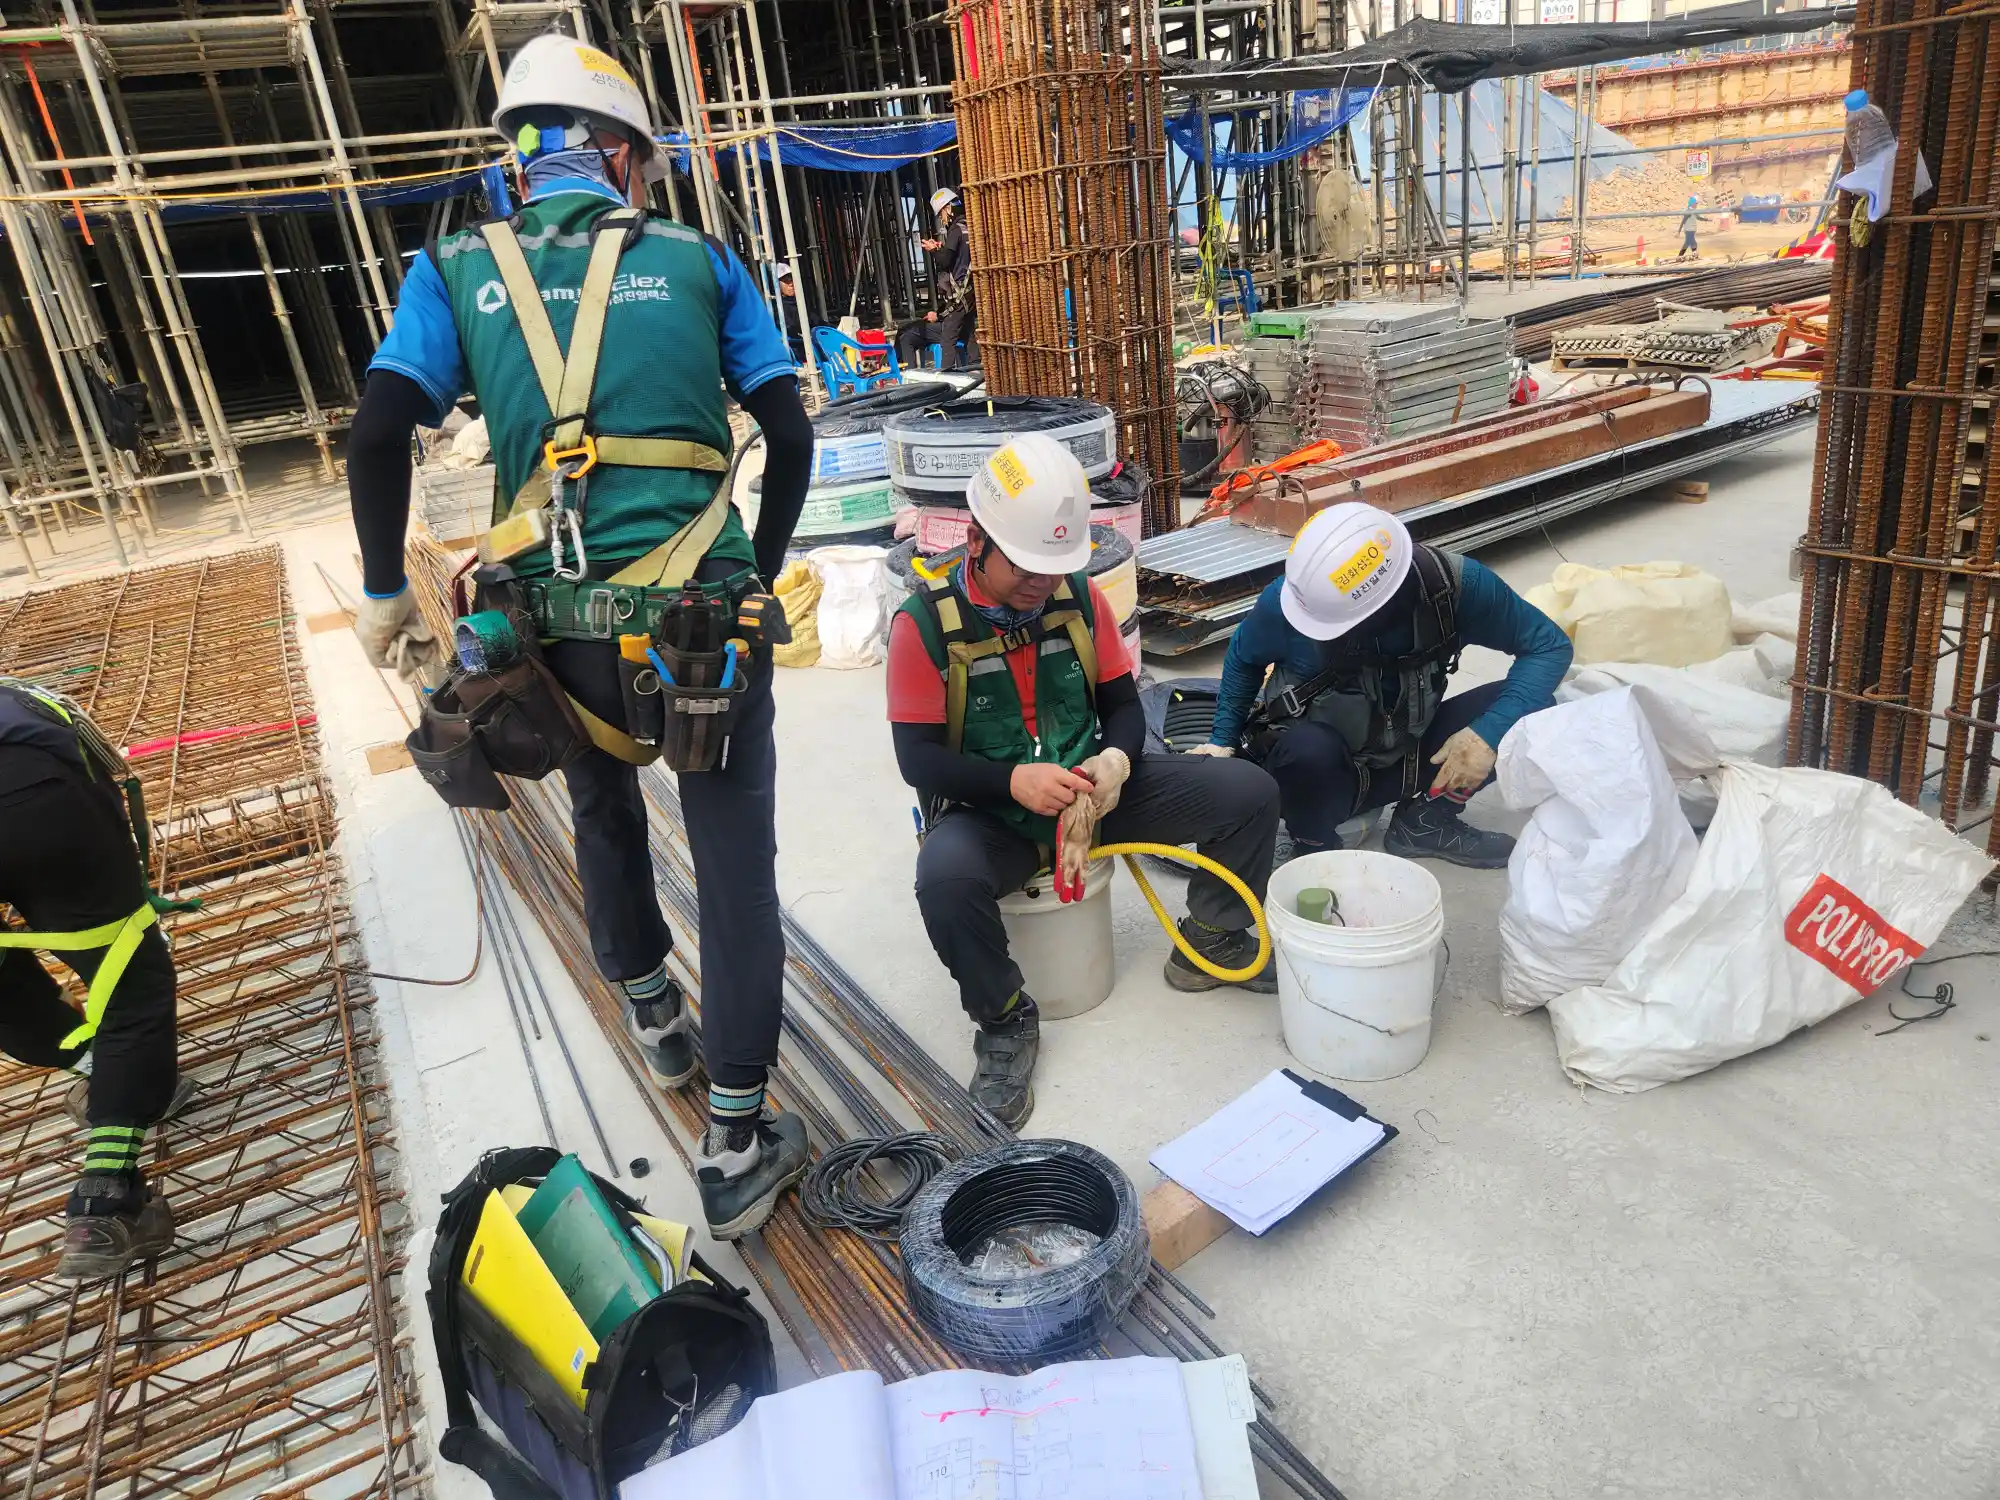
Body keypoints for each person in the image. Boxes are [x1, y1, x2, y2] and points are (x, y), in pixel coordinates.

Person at [346, 34, 816, 1239]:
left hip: (554, 624)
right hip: (703, 619)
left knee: (602, 801)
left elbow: (379, 431)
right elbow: (787, 428)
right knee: (733, 866)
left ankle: (654, 1015)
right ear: (615, 153)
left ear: (521, 160)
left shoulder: (454, 267)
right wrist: (756, 565)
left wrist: (384, 594)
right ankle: (735, 1138)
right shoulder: (699, 259)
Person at [888, 436, 1280, 1128]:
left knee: (1249, 793)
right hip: (994, 813)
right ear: (976, 541)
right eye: (1026, 567)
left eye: (1054, 568)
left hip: (1095, 795)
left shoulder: (1078, 599)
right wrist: (1012, 782)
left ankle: (1212, 937)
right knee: (945, 880)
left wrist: (1117, 761)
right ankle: (1004, 1019)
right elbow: (918, 761)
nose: (1041, 585)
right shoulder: (922, 628)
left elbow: (1122, 706)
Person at [1188, 503, 1572, 870]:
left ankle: (1426, 820)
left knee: (1531, 711)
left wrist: (1486, 735)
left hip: (1408, 756)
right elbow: (1243, 657)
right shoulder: (1294, 602)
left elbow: (1548, 646)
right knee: (1307, 750)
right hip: (1320, 776)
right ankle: (1313, 846)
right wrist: (1222, 740)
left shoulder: (1454, 587)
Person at [0, 678, 198, 1281]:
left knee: (6, 991)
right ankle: (106, 1200)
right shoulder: (19, 701)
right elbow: (106, 793)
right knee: (128, 985)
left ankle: (105, 1072)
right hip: (33, 793)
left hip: (30, 790)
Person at [894, 187, 976, 371]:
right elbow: (957, 257)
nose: (942, 219)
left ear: (947, 208)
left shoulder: (955, 229)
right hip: (970, 293)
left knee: (947, 339)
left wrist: (933, 251)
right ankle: (975, 369)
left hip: (960, 294)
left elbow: (945, 261)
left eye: (941, 214)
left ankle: (947, 375)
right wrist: (940, 249)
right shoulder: (967, 227)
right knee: (968, 332)